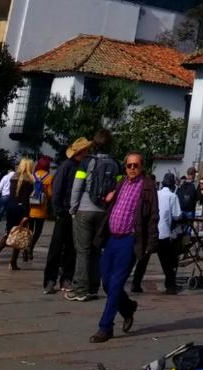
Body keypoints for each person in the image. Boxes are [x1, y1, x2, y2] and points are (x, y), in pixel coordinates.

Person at [90, 151, 159, 343]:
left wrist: (152, 242)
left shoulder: (147, 186)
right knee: (106, 282)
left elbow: (154, 215)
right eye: (129, 165)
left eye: (135, 165)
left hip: (129, 241)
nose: (132, 169)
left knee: (116, 284)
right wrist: (108, 198)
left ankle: (105, 327)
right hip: (112, 238)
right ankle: (127, 307)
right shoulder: (120, 183)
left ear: (142, 166)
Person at [68, 129, 118, 302]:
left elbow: (77, 186)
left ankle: (79, 289)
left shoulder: (87, 162)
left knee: (82, 250)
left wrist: (73, 208)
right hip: (103, 212)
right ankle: (93, 287)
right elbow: (116, 189)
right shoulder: (115, 164)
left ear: (94, 144)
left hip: (85, 209)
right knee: (97, 250)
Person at [44, 137, 88, 294]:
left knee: (72, 248)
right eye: (85, 150)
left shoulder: (83, 167)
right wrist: (58, 210)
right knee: (56, 247)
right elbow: (57, 188)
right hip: (64, 212)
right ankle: (50, 279)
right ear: (80, 152)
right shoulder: (67, 166)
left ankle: (67, 278)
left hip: (77, 212)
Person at [132, 171, 182, 295]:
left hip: (150, 231)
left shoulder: (156, 194)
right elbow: (177, 215)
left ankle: (136, 283)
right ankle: (170, 285)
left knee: (143, 260)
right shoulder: (172, 196)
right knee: (167, 262)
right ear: (173, 185)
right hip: (163, 232)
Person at [0, 157, 34, 270]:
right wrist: (26, 214)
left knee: (10, 233)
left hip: (11, 206)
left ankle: (8, 259)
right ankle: (0, 255)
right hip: (20, 209)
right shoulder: (28, 180)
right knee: (19, 234)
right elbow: (25, 199)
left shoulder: (13, 177)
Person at [26, 155, 53, 260]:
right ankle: (31, 248)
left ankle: (26, 248)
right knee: (38, 231)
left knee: (29, 230)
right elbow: (50, 194)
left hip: (30, 207)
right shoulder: (49, 177)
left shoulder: (32, 176)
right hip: (41, 209)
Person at [0, 164, 15, 235]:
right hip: (12, 198)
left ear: (9, 170)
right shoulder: (16, 177)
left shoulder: (6, 177)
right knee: (9, 214)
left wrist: (1, 192)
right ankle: (7, 230)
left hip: (4, 196)